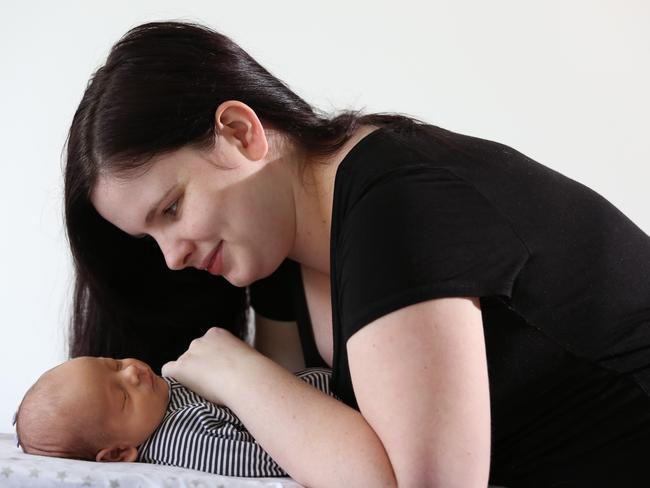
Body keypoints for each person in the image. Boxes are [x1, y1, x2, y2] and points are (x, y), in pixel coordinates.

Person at [62, 20, 650, 488]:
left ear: (241, 132)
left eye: (170, 209)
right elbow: (286, 443)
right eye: (150, 238)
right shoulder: (277, 252)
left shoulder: (395, 204)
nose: (170, 258)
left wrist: (235, 368)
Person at [14, 354, 333, 477]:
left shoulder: (162, 393)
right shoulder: (179, 439)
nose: (132, 373)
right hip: (334, 417)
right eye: (123, 397)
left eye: (113, 364)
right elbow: (267, 459)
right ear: (118, 453)